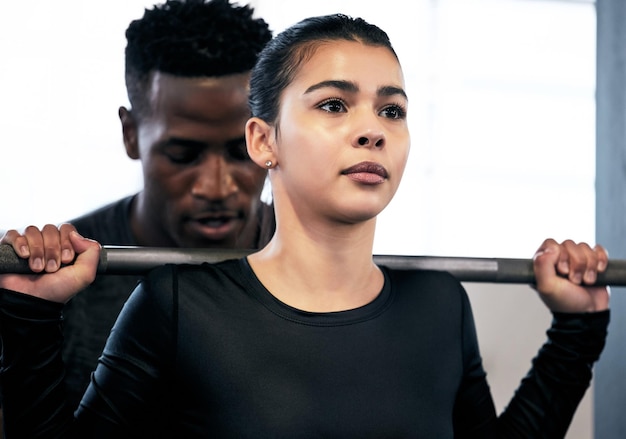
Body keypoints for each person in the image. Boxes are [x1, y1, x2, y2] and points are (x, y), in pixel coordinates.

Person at [0, 13, 610, 438]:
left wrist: (577, 332)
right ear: (264, 140)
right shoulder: (176, 304)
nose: (372, 128)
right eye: (334, 104)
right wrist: (28, 317)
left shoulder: (440, 305)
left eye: (391, 110)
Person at [0, 0, 274, 414]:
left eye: (241, 152)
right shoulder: (52, 286)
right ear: (131, 134)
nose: (216, 187)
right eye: (183, 154)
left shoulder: (327, 258)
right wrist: (27, 318)